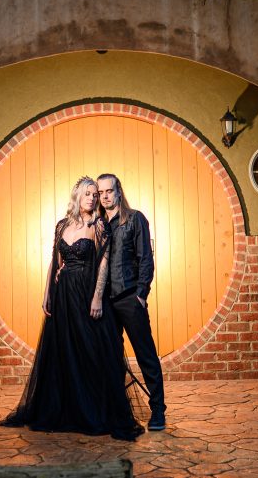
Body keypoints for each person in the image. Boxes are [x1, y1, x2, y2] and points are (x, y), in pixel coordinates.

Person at [0, 176, 144, 441]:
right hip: (64, 294)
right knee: (63, 351)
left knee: (90, 351)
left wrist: (98, 297)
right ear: (77, 196)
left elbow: (103, 262)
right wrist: (47, 295)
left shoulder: (99, 225)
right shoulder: (62, 225)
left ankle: (91, 411)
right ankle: (65, 409)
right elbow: (54, 263)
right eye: (87, 193)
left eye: (95, 194)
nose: (92, 198)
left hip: (87, 292)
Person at [97, 173, 167, 431]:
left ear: (118, 192)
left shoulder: (135, 218)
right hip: (106, 303)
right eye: (100, 192)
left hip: (129, 298)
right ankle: (117, 410)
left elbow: (146, 258)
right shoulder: (99, 225)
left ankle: (158, 410)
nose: (104, 196)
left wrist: (141, 294)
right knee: (111, 357)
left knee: (145, 355)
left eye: (109, 191)